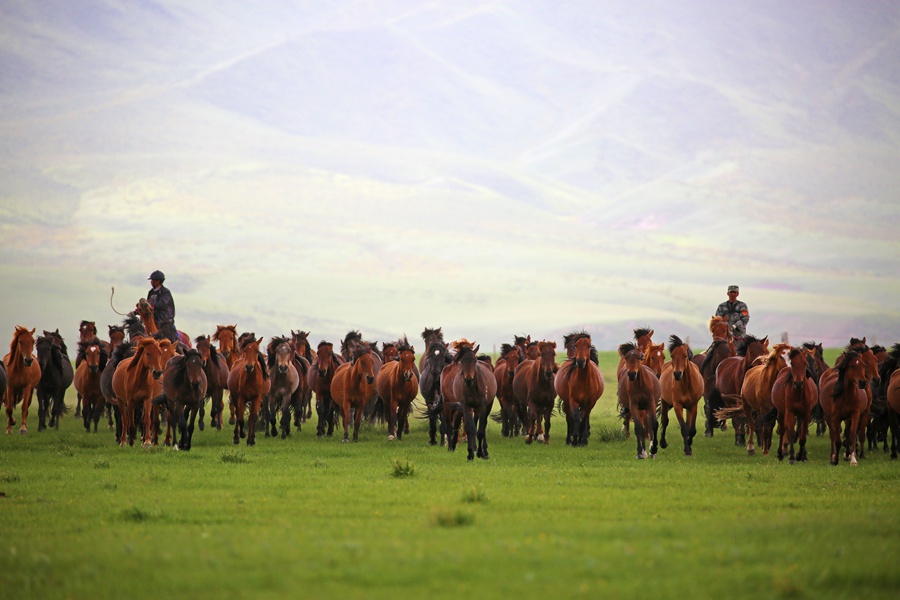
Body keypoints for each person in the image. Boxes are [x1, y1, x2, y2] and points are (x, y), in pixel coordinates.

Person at [145, 270, 178, 343]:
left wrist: (149, 304)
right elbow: (148, 306)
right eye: (151, 280)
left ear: (158, 281)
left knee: (170, 341)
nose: (152, 282)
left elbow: (161, 304)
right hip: (153, 320)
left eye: (153, 280)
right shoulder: (151, 292)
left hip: (164, 322)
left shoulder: (165, 292)